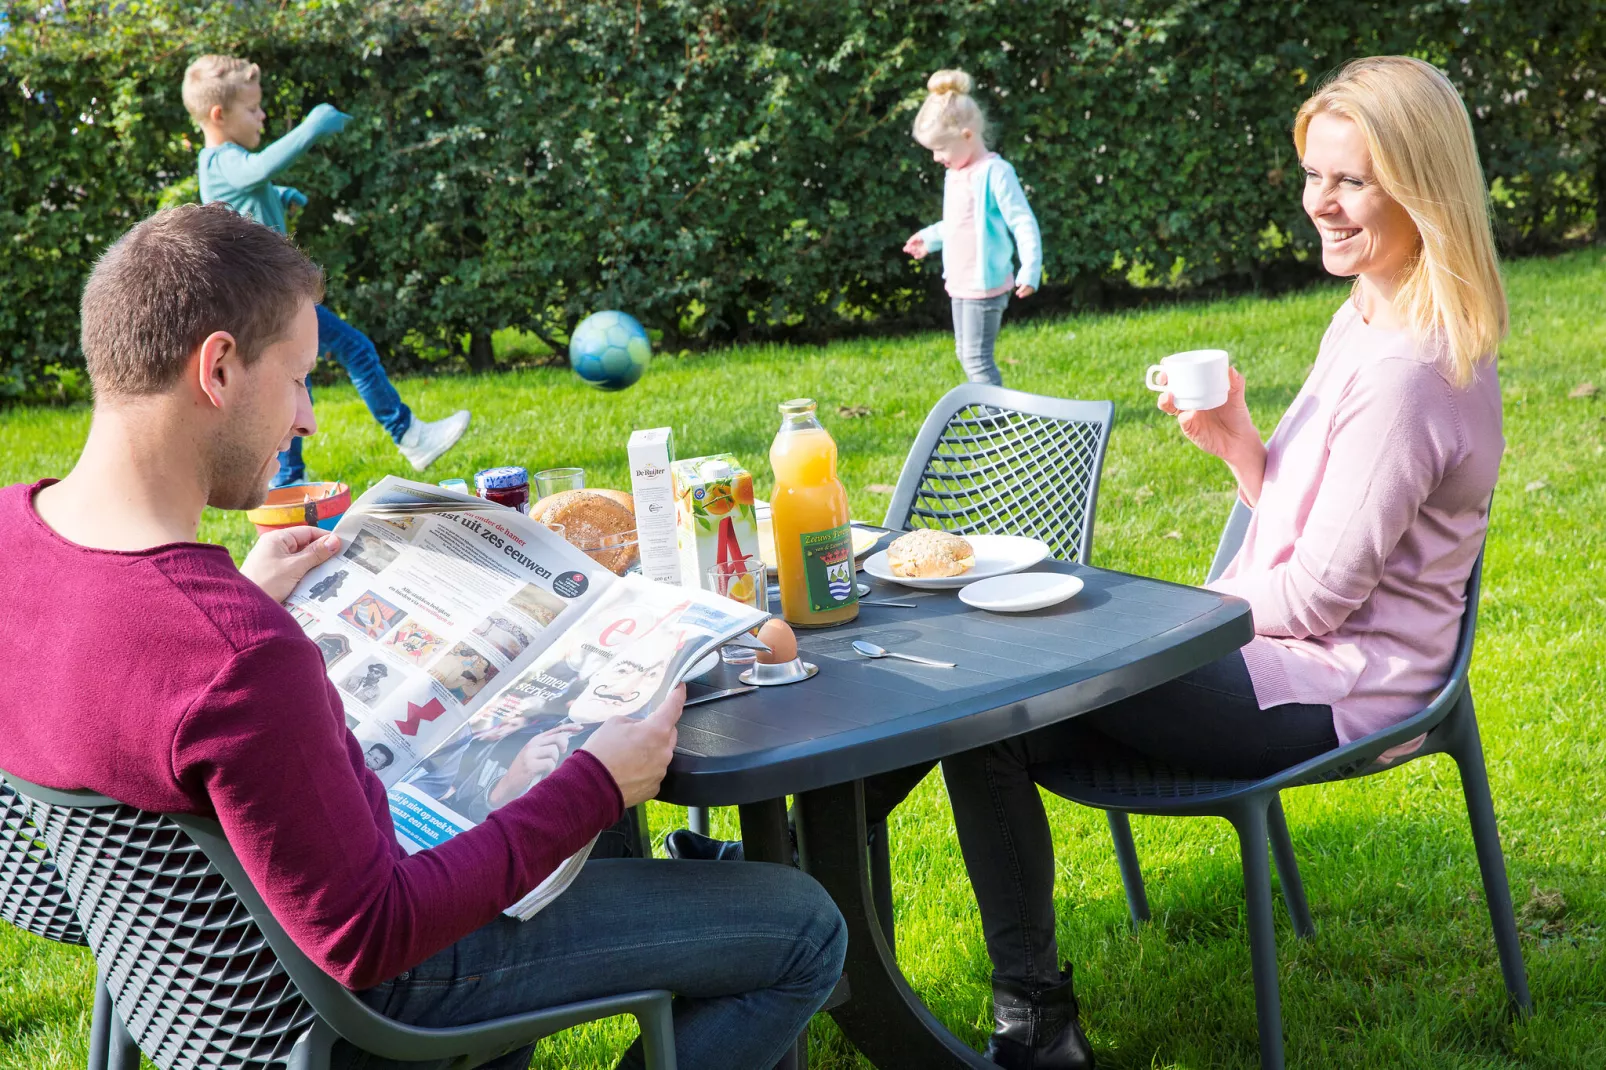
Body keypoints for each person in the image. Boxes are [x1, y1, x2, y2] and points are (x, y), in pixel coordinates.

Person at [672, 55, 1508, 1070]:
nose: (1319, 204)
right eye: (1312, 175)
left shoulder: (1410, 367)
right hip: (1273, 642)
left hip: (1340, 685)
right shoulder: (1368, 308)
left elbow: (1319, 597)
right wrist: (1242, 445)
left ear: (1419, 185)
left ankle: (795, 896)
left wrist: (1153, 616)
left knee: (998, 684)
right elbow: (1309, 527)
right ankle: (965, 981)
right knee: (989, 694)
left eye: (1350, 181)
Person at [0, 203, 846, 1070]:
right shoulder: (237, 656)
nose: (309, 420)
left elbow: (144, 668)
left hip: (202, 983)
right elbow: (372, 935)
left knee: (608, 836)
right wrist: (596, 784)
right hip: (365, 1002)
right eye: (298, 379)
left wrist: (242, 597)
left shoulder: (16, 539)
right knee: (805, 930)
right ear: (217, 369)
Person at [181, 54, 471, 487]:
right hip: (269, 297)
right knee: (348, 353)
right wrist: (310, 127)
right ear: (219, 115)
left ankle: (288, 485)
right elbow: (254, 171)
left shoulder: (227, 166)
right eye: (253, 108)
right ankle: (407, 435)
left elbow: (250, 186)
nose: (262, 115)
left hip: (272, 297)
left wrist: (278, 193)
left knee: (295, 385)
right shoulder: (223, 160)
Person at [903, 69, 1042, 387]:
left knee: (978, 359)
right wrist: (930, 238)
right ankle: (990, 414)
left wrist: (1030, 269)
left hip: (985, 284)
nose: (937, 158)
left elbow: (1022, 222)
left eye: (941, 149)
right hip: (960, 282)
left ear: (967, 136)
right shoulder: (956, 173)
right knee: (965, 354)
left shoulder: (995, 172)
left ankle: (994, 419)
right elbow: (959, 223)